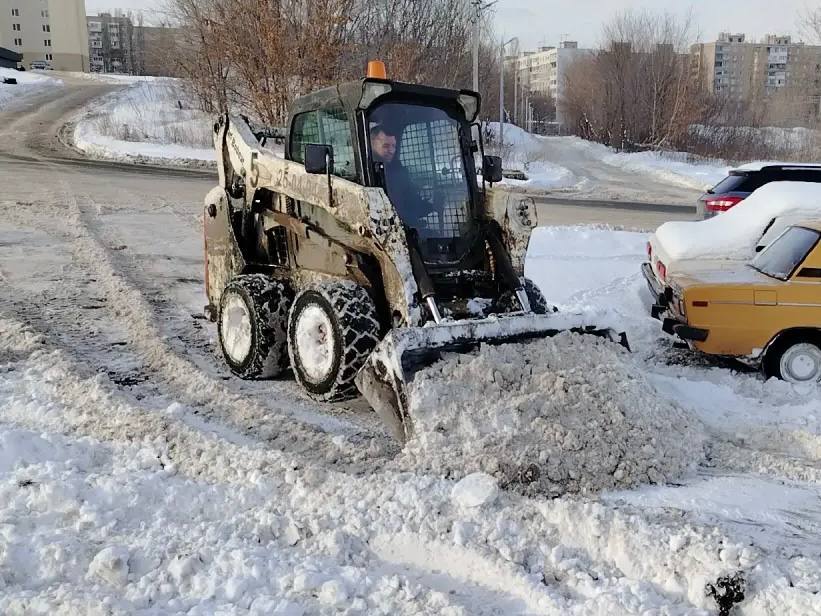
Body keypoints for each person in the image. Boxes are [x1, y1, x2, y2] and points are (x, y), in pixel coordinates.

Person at [370, 125, 437, 227]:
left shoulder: (398, 170)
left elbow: (411, 202)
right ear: (371, 144)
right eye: (386, 146)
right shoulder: (365, 175)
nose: (392, 151)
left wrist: (432, 206)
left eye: (394, 146)